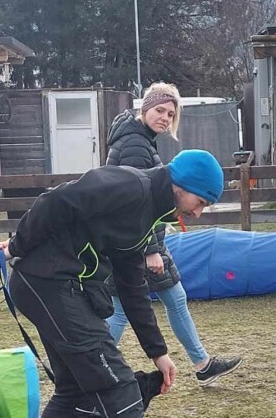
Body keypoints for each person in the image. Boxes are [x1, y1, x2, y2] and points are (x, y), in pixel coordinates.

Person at [0, 150, 227, 418]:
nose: (198, 213)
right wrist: (15, 247)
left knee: (74, 389)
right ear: (183, 185)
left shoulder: (148, 216)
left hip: (60, 288)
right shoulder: (130, 186)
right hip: (47, 282)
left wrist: (158, 351)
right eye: (202, 201)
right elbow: (55, 200)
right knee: (118, 384)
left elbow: (131, 283)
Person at [104, 82, 243, 387]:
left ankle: (203, 364)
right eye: (160, 110)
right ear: (145, 108)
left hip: (141, 239)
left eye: (170, 114)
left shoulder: (140, 140)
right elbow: (136, 203)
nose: (165, 118)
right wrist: (150, 249)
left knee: (171, 299)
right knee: (120, 309)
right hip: (137, 242)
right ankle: (88, 365)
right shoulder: (135, 146)